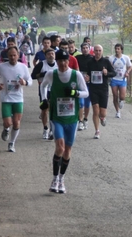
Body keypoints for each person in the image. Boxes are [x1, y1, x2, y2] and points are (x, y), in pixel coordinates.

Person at [39, 49, 89, 193]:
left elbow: (86, 93)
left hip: (72, 118)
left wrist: (75, 93)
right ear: (57, 61)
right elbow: (43, 85)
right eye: (60, 60)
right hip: (57, 117)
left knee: (67, 150)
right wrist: (44, 100)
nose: (62, 63)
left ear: (69, 61)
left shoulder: (76, 74)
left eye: (65, 60)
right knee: (60, 147)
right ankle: (54, 179)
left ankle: (62, 179)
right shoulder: (52, 74)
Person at [0, 46, 33, 152]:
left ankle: (12, 143)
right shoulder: (2, 67)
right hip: (6, 98)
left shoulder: (23, 67)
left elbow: (30, 81)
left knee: (16, 122)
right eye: (10, 55)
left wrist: (25, 82)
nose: (12, 57)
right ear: (7, 56)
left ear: (18, 56)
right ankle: (6, 129)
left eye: (14, 55)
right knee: (8, 123)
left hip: (18, 98)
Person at [84, 44, 116, 139]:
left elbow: (114, 73)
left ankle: (102, 117)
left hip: (103, 89)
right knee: (95, 110)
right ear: (93, 52)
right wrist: (87, 78)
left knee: (102, 113)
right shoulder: (90, 62)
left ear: (102, 52)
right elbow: (88, 74)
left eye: (99, 51)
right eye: (96, 50)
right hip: (93, 89)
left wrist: (107, 73)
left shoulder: (106, 61)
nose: (97, 52)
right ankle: (97, 131)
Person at [31, 48, 57, 140]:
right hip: (43, 90)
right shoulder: (42, 64)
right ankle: (45, 128)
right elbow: (33, 76)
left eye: (52, 54)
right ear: (45, 56)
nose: (51, 55)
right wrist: (42, 74)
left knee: (54, 111)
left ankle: (52, 130)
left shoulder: (58, 64)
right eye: (49, 54)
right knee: (44, 110)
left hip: (55, 90)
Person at [108, 43, 132, 118]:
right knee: (115, 96)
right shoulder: (111, 58)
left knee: (122, 96)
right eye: (116, 48)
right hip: (114, 79)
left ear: (121, 50)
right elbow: (108, 67)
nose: (117, 50)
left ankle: (122, 101)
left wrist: (127, 72)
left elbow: (130, 66)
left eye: (118, 49)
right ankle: (117, 111)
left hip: (122, 79)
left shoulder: (125, 58)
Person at [75, 42, 93, 131]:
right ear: (81, 49)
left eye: (86, 48)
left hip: (89, 83)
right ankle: (80, 120)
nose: (85, 49)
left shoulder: (93, 59)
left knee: (87, 103)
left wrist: (90, 77)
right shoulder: (77, 58)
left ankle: (85, 118)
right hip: (80, 83)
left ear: (89, 49)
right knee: (81, 103)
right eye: (83, 48)